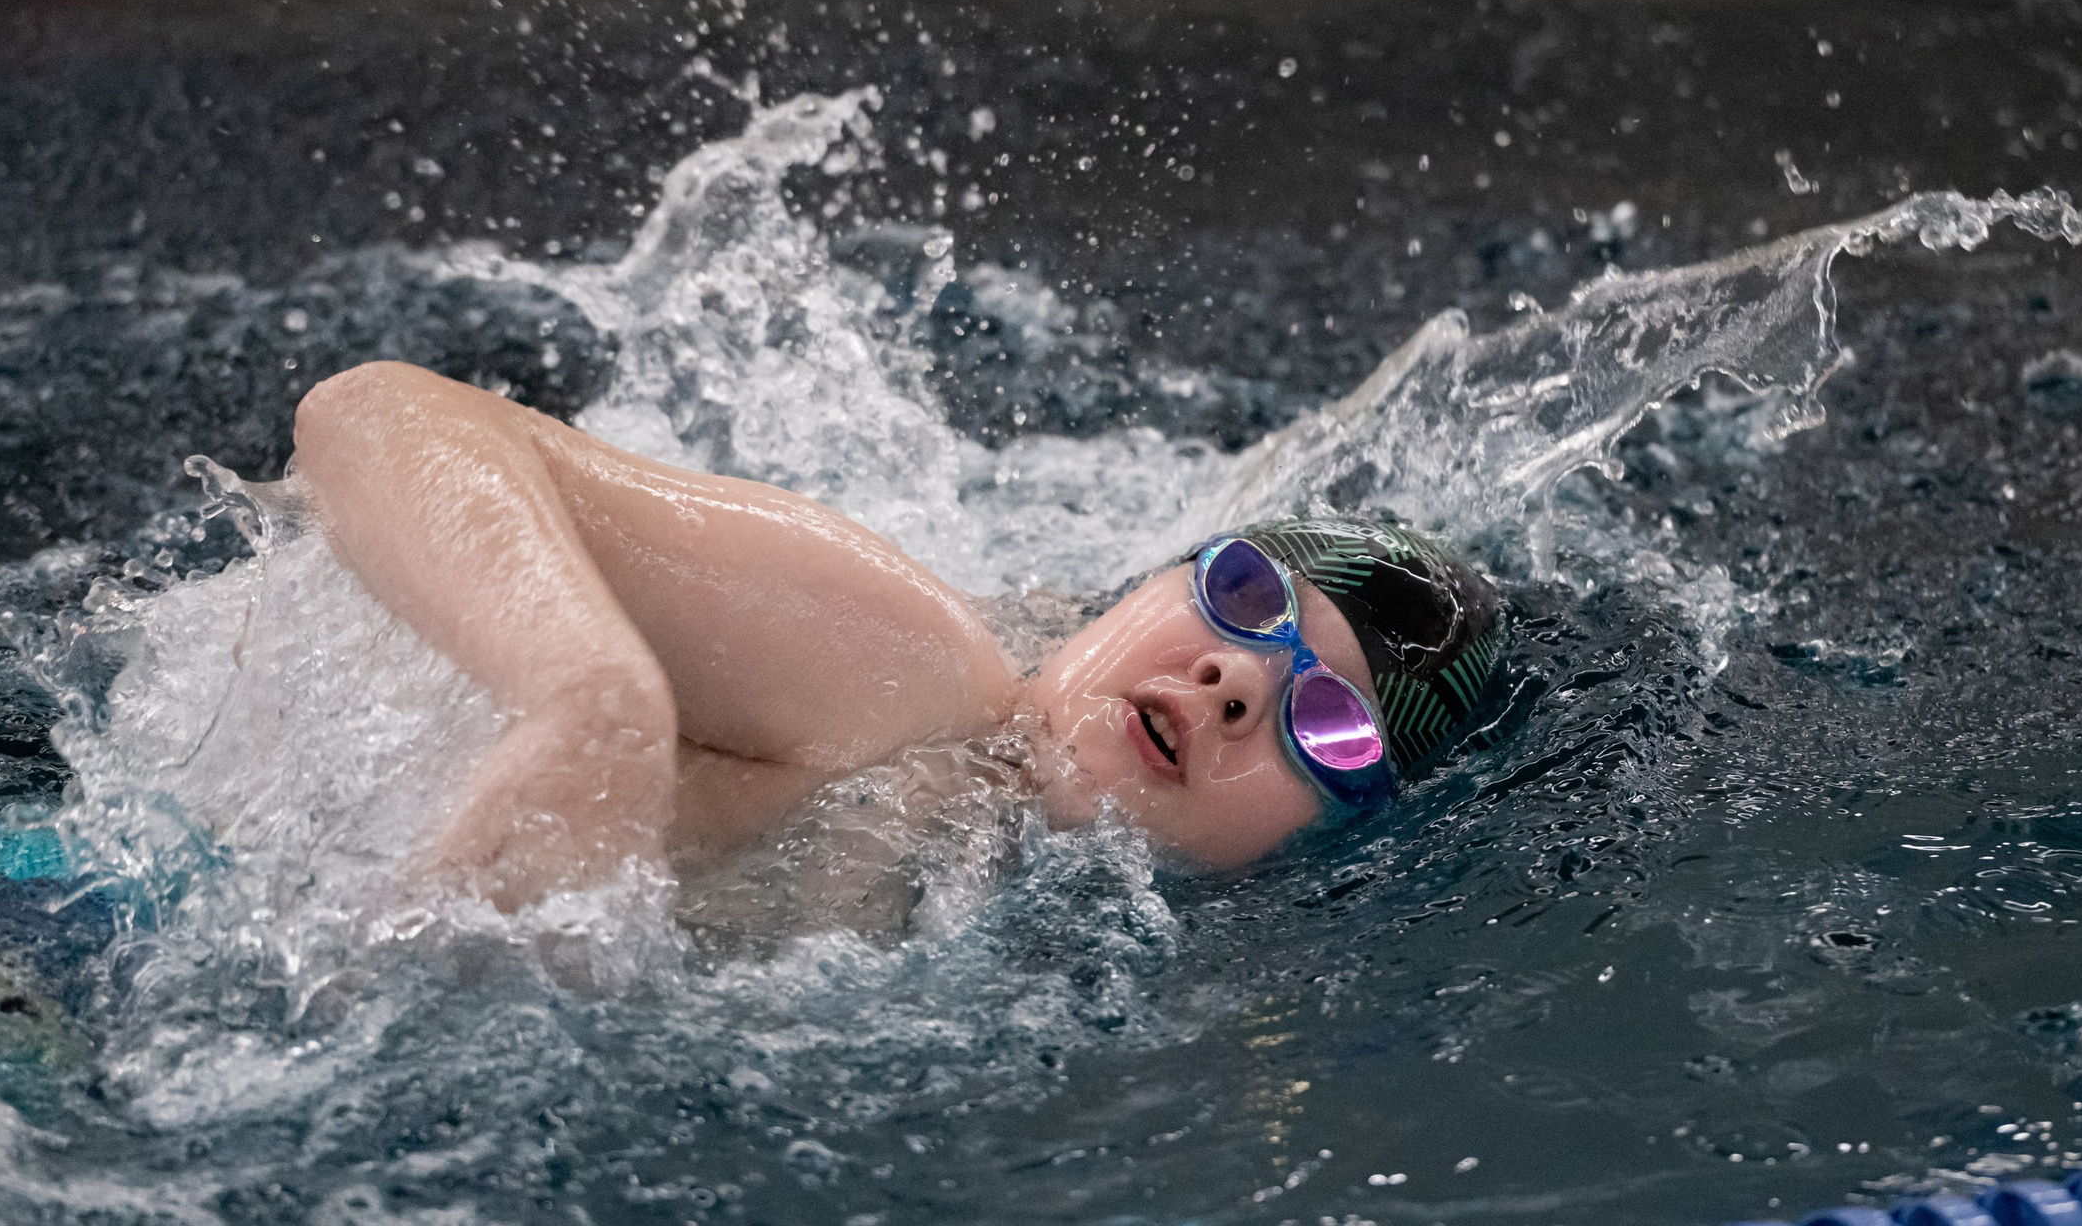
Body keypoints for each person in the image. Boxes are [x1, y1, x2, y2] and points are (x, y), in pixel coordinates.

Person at [288, 362, 1509, 908]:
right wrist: (589, 699)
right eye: (1244, 597)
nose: (1236, 680)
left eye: (1327, 724)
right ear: (1142, 586)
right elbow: (375, 414)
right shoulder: (916, 676)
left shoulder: (997, 894)